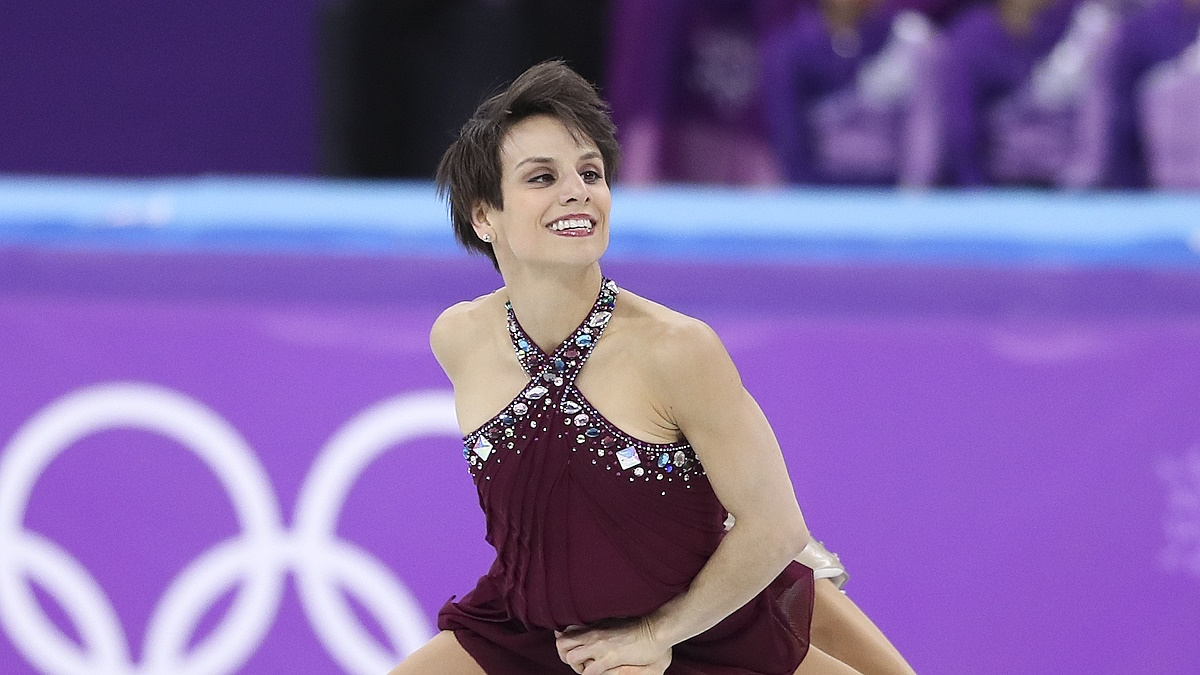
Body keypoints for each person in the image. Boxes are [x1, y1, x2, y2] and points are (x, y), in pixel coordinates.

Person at [388, 60, 915, 675]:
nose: (577, 191)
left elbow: (775, 526)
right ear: (484, 215)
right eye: (542, 177)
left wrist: (654, 634)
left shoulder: (675, 348)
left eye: (591, 172)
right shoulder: (459, 338)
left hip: (704, 631)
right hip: (532, 629)